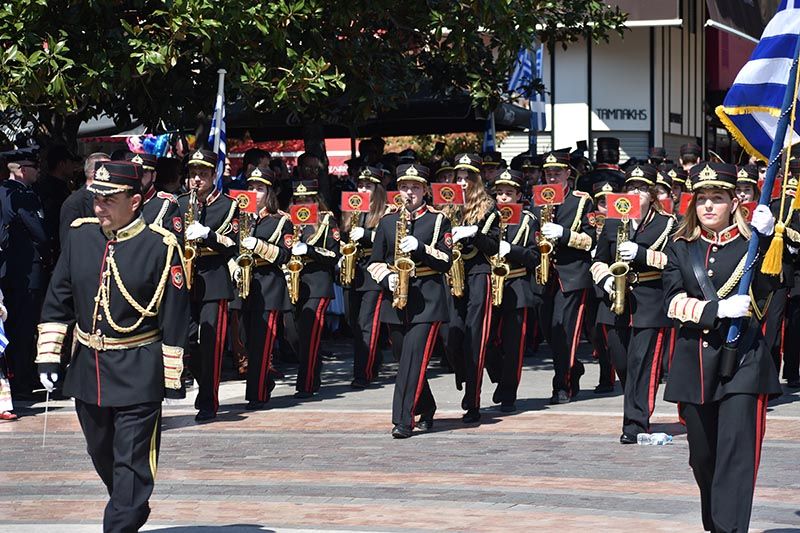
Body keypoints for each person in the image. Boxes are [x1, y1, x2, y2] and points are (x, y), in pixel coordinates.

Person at [35, 160, 188, 532]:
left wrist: (171, 375)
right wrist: (49, 354)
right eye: (96, 198)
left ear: (135, 201)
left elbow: (175, 314)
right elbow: (59, 298)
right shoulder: (80, 237)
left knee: (132, 463)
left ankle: (122, 517)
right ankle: (131, 505)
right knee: (102, 453)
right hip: (89, 369)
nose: (99, 207)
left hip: (139, 370)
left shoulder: (161, 246)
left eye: (109, 200)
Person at [662, 161, 781, 532]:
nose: (709, 206)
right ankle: (716, 525)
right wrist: (715, 310)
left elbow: (766, 298)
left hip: (743, 360)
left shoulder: (752, 244)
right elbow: (670, 301)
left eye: (717, 198)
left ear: (734, 203)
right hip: (694, 364)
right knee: (704, 457)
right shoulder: (681, 247)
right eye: (702, 200)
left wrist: (765, 244)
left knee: (736, 455)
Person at [591, 164, 675, 443]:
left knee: (642, 365)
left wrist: (642, 254)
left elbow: (674, 264)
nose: (635, 193)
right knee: (623, 364)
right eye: (631, 188)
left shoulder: (667, 224)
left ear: (652, 194)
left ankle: (635, 424)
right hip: (615, 302)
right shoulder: (614, 222)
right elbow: (599, 259)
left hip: (649, 302)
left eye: (641, 188)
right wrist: (604, 278)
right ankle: (635, 406)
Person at [367, 163, 452, 438]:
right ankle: (426, 406)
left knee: (413, 360)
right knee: (404, 357)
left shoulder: (438, 220)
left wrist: (422, 248)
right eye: (404, 187)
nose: (409, 192)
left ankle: (403, 420)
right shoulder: (388, 221)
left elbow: (446, 261)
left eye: (415, 187)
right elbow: (374, 262)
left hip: (427, 300)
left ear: (425, 190)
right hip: (396, 299)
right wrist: (386, 279)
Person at [178, 149, 239, 422]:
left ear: (213, 175)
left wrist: (209, 235)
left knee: (212, 343)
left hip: (213, 281)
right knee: (188, 342)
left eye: (203, 174)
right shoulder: (178, 204)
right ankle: (200, 384)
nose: (197, 180)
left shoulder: (228, 206)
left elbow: (233, 245)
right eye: (193, 174)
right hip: (184, 283)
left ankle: (208, 401)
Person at [532, 150, 596, 404]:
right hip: (545, 275)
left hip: (572, 275)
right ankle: (573, 367)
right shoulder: (538, 200)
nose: (552, 177)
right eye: (548, 173)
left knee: (565, 334)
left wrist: (565, 234)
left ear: (568, 174)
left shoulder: (582, 201)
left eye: (557, 172)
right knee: (549, 331)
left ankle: (562, 385)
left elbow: (592, 239)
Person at [235, 167, 293, 409]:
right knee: (246, 341)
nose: (254, 193)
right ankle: (264, 381)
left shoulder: (281, 220)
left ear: (269, 191)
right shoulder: (240, 217)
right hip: (244, 286)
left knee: (262, 343)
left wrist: (258, 245)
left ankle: (256, 394)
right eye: (251, 188)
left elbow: (285, 255)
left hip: (269, 286)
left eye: (259, 188)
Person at [448, 153, 500, 423]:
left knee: (475, 339)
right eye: (459, 177)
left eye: (468, 177)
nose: (463, 182)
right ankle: (464, 376)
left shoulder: (489, 208)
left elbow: (493, 246)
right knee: (451, 337)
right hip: (453, 277)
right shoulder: (448, 207)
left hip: (479, 274)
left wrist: (474, 234)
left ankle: (474, 400)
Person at [485, 169, 539, 412]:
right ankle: (499, 377)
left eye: (509, 193)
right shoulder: (489, 216)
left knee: (513, 345)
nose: (504, 198)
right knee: (485, 340)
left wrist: (512, 250)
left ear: (519, 194)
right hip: (489, 286)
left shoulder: (529, 219)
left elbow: (535, 257)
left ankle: (509, 393)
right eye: (500, 193)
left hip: (517, 286)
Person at [0, 159, 50, 398]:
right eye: (34, 166)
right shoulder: (23, 196)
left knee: (13, 325)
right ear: (21, 170)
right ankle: (21, 380)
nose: (38, 171)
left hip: (10, 269)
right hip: (27, 269)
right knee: (24, 326)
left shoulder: (3, 191)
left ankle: (17, 378)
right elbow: (39, 231)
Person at [287, 179, 340, 398]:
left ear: (315, 200)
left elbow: (334, 254)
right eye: (298, 199)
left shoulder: (326, 220)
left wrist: (309, 250)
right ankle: (313, 366)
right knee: (292, 333)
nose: (303, 203)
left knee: (310, 333)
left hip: (318, 283)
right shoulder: (287, 219)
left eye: (307, 199)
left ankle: (306, 383)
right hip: (293, 282)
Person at [343, 167, 389, 389]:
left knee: (366, 324)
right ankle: (374, 358)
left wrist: (368, 235)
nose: (362, 190)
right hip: (354, 272)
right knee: (353, 321)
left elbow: (391, 239)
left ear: (377, 189)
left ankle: (363, 373)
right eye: (360, 185)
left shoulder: (386, 211)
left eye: (368, 186)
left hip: (374, 272)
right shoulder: (351, 209)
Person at [589, 179, 619, 393]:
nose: (606, 207)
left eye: (610, 201)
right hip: (588, 281)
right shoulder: (588, 222)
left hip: (611, 283)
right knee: (594, 333)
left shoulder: (621, 222)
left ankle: (607, 377)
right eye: (601, 202)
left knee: (606, 333)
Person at [35, 145, 77, 262]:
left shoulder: (61, 186)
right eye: (71, 162)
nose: (73, 166)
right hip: (57, 246)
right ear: (61, 164)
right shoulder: (52, 189)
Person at [125, 153, 182, 237]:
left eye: (143, 173)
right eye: (132, 173)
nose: (138, 178)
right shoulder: (120, 202)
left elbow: (174, 243)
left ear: (154, 176)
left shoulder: (166, 204)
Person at [59, 152, 111, 244]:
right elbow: (68, 242)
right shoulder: (74, 202)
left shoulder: (112, 198)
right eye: (108, 170)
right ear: (95, 173)